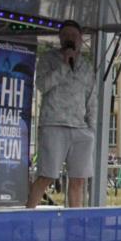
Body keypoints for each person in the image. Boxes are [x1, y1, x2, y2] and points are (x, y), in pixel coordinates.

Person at [26, 20, 96, 208]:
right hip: (54, 124)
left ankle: (75, 224)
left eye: (73, 36)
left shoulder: (87, 66)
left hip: (81, 129)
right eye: (65, 35)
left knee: (79, 180)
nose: (69, 39)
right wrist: (64, 66)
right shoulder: (48, 59)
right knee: (47, 175)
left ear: (81, 39)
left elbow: (91, 98)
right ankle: (27, 218)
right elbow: (42, 85)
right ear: (60, 38)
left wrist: (92, 129)